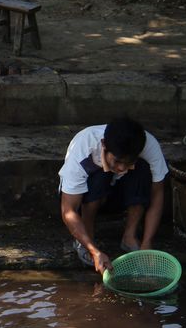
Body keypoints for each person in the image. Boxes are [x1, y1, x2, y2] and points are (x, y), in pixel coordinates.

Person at [58, 117, 168, 274]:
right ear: (104, 145)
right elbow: (68, 210)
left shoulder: (149, 145)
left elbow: (157, 194)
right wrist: (94, 251)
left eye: (128, 162)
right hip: (89, 198)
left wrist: (147, 243)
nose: (122, 167)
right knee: (99, 176)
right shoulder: (84, 146)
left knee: (143, 169)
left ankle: (129, 237)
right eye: (117, 161)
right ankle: (87, 241)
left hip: (119, 197)